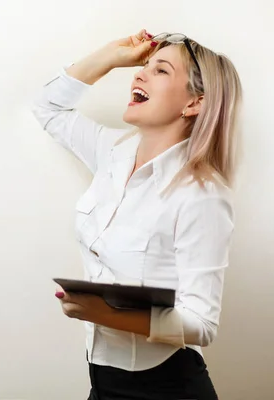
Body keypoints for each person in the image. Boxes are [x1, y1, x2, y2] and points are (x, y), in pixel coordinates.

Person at [31, 29, 242, 399]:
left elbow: (203, 324)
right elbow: (47, 107)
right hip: (102, 383)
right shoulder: (112, 150)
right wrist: (111, 56)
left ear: (194, 103)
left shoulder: (202, 196)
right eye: (144, 68)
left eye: (160, 71)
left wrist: (104, 313)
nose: (139, 75)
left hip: (166, 388)